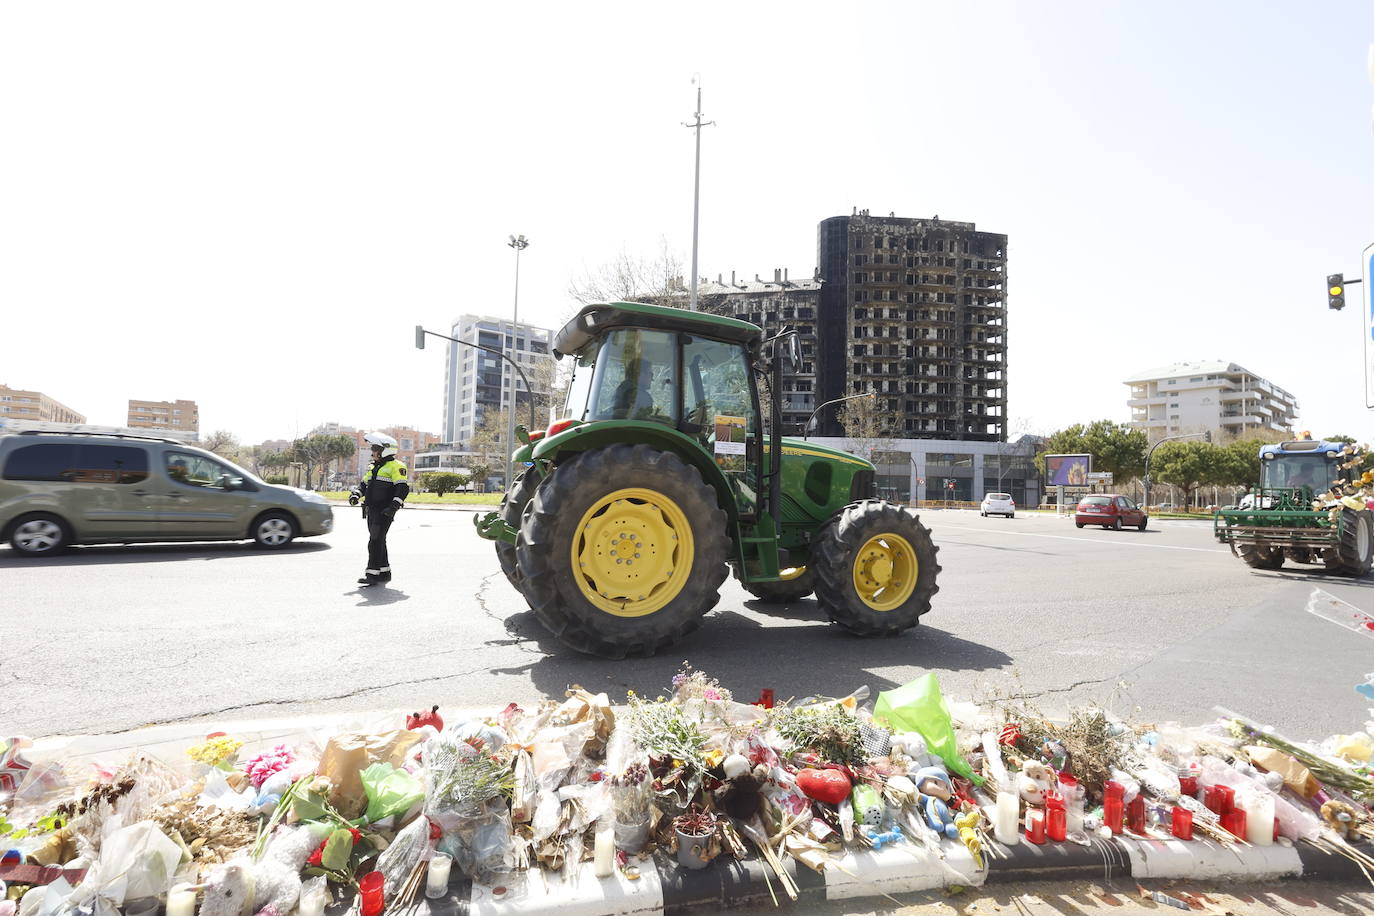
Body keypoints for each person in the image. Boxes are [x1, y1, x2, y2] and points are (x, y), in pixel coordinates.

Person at [356, 431, 409, 586]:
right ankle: (384, 572)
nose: (372, 452)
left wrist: (393, 507)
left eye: (375, 449)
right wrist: (356, 494)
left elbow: (402, 489)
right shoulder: (375, 467)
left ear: (385, 450)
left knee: (374, 541)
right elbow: (364, 485)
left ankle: (372, 574)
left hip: (385, 510)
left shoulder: (396, 466)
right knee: (379, 540)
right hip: (371, 510)